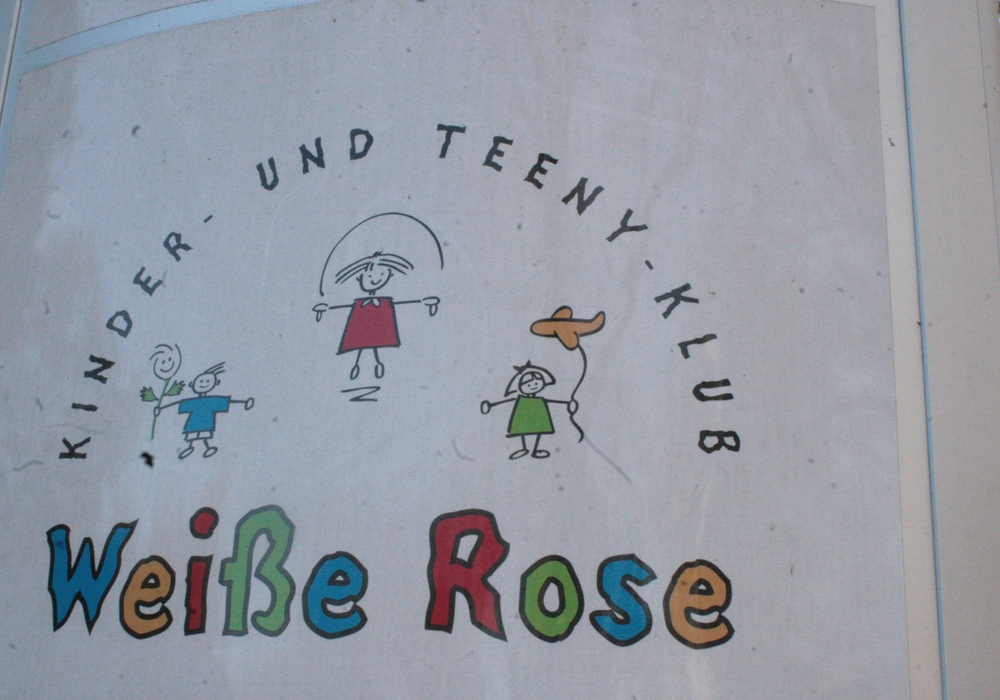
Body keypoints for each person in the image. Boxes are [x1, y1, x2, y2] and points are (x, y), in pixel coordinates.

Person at [312, 251, 439, 380]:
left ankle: (376, 364)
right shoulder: (360, 303)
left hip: (375, 327)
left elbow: (403, 302)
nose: (375, 279)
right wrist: (326, 308)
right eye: (369, 276)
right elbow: (343, 306)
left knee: (371, 344)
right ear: (359, 278)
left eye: (382, 274)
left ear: (390, 274)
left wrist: (422, 301)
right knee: (361, 345)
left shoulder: (384, 302)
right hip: (361, 326)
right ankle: (358, 365)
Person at [154, 363, 253, 459]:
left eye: (207, 381)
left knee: (203, 436)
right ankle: (190, 447)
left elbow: (228, 401)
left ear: (216, 383)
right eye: (201, 381)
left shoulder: (211, 400)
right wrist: (161, 408)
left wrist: (244, 402)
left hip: (205, 423)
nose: (204, 384)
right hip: (193, 423)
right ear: (192, 384)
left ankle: (207, 448)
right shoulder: (194, 401)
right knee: (192, 437)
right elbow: (177, 403)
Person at [480, 361, 577, 460]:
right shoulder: (521, 400)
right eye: (528, 385)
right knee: (522, 430)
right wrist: (491, 405)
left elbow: (553, 401)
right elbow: (508, 400)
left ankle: (535, 449)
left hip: (538, 413)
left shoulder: (539, 400)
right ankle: (524, 448)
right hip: (524, 413)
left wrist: (567, 404)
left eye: (536, 383)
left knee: (539, 430)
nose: (533, 386)